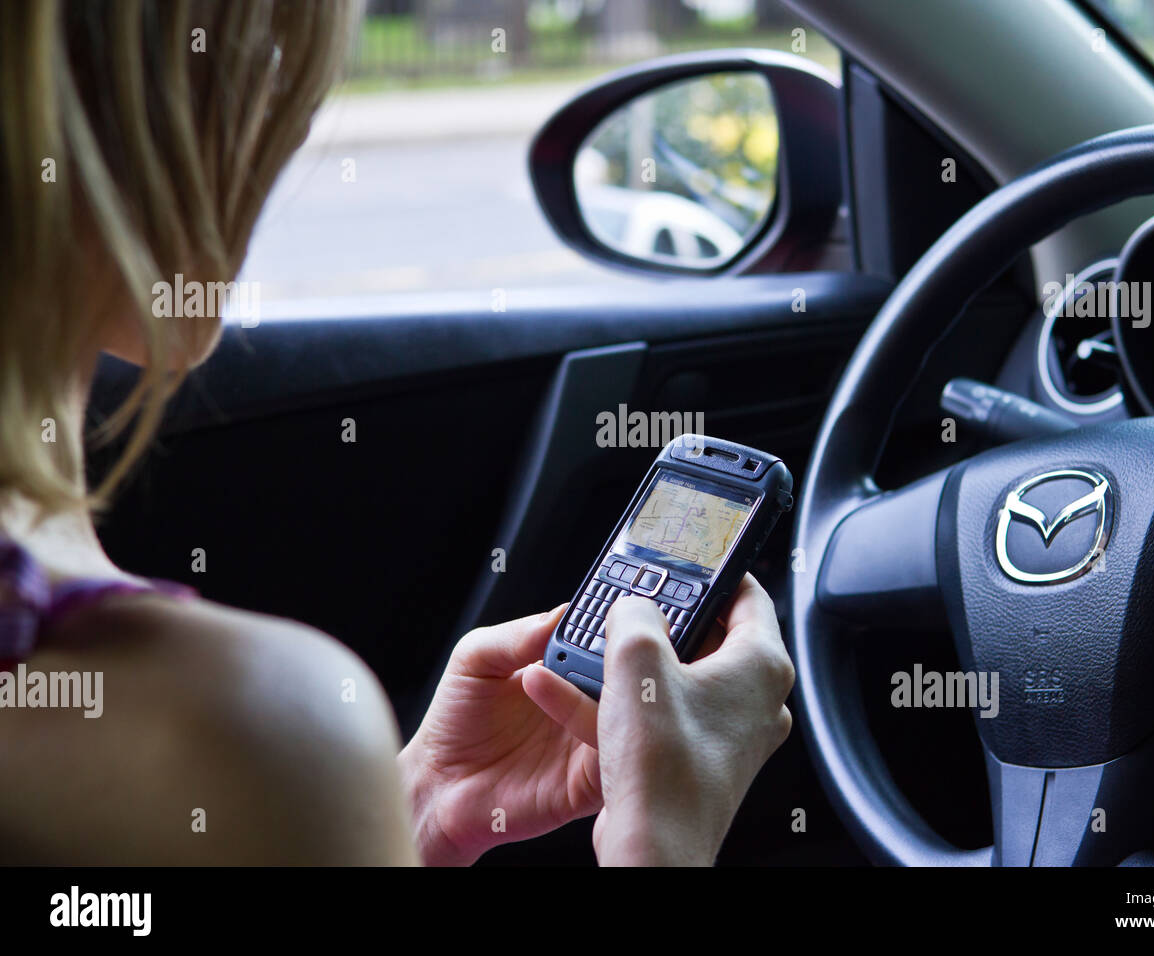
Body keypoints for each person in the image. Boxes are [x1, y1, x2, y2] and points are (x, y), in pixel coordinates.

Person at [0, 0, 795, 865]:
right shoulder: (236, 727)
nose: (292, 127)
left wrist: (405, 817)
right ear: (149, 108)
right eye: (276, 64)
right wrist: (664, 834)